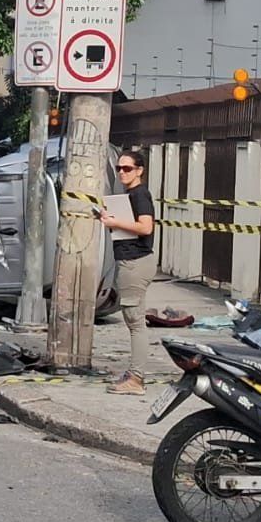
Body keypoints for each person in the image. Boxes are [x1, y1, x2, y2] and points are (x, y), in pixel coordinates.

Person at [99, 149, 157, 396]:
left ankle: (137, 378)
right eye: (120, 168)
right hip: (131, 261)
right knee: (134, 320)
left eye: (128, 168)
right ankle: (135, 373)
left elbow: (146, 227)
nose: (122, 172)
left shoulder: (140, 195)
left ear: (140, 170)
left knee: (135, 322)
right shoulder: (130, 194)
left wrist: (114, 223)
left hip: (135, 262)